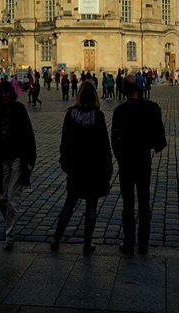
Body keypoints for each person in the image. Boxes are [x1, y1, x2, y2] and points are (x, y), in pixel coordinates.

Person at [49, 81, 113, 255]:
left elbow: (65, 142)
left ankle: (56, 237)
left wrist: (65, 162)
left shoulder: (70, 115)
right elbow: (104, 145)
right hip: (93, 169)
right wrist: (108, 167)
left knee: (69, 204)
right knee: (91, 206)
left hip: (76, 168)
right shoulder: (97, 116)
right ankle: (87, 242)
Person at [112, 73, 167, 255]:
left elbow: (114, 140)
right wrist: (149, 147)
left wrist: (120, 157)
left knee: (128, 204)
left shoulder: (119, 111)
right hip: (143, 160)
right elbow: (160, 139)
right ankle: (143, 244)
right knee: (144, 202)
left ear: (124, 91)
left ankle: (128, 243)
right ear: (140, 88)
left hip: (126, 162)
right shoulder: (152, 108)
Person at [0, 80, 36, 251]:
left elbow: (28, 133)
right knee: (1, 197)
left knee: (12, 200)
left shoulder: (19, 109)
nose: (4, 95)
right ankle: (9, 223)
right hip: (0, 159)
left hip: (18, 159)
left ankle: (9, 236)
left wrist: (30, 159)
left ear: (11, 94)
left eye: (7, 92)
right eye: (1, 92)